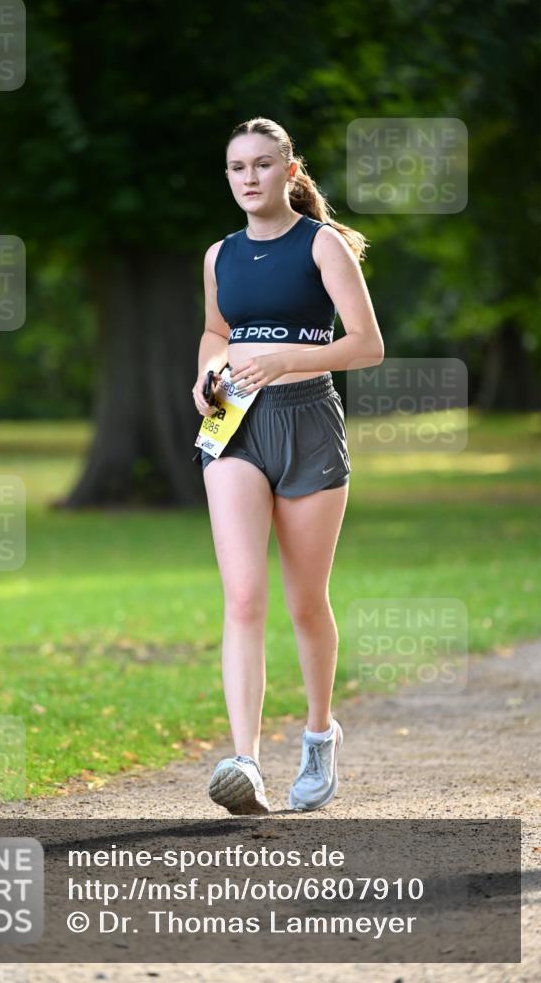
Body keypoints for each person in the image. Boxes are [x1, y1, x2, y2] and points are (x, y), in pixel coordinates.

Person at [190, 117, 384, 816]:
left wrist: (284, 359)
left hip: (307, 421)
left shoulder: (322, 245)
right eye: (237, 166)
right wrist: (206, 374)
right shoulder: (220, 255)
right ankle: (244, 762)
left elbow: (365, 346)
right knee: (242, 597)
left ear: (289, 171)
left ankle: (316, 737)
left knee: (304, 601)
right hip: (231, 424)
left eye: (263, 164)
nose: (249, 177)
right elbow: (217, 330)